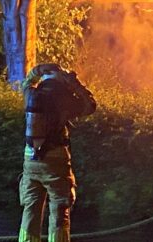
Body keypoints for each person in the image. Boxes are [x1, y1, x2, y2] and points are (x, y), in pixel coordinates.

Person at [18, 63, 96, 242]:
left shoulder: (31, 93)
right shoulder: (64, 98)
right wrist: (75, 83)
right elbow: (90, 105)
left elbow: (26, 83)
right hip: (56, 161)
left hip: (30, 160)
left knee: (31, 208)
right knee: (60, 208)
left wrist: (37, 71)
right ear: (62, 81)